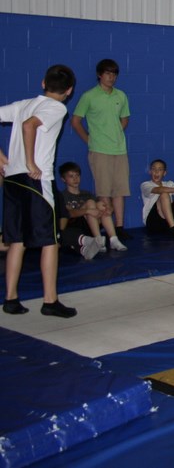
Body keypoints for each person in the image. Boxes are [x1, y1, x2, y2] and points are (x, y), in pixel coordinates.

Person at [1, 64, 79, 317]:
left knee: (17, 240)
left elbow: (26, 122)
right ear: (69, 90)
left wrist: (3, 159)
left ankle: (11, 298)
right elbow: (29, 126)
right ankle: (50, 300)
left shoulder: (24, 104)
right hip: (36, 181)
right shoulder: (57, 107)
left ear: (44, 83)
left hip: (13, 180)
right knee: (50, 241)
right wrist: (30, 163)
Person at [70, 59, 132, 240]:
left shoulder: (121, 95)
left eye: (114, 74)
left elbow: (125, 119)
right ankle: (109, 229)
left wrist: (116, 134)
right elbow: (75, 121)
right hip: (99, 150)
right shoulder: (89, 96)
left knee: (120, 190)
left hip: (119, 149)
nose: (111, 77)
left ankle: (119, 227)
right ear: (99, 75)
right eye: (107, 73)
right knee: (104, 190)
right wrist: (90, 140)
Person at [58, 161, 125, 251]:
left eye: (77, 175)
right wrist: (87, 211)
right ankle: (98, 240)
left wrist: (108, 209)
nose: (75, 179)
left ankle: (113, 239)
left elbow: (103, 208)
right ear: (63, 179)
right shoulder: (63, 196)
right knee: (90, 203)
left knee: (100, 205)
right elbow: (68, 213)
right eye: (71, 176)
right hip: (75, 226)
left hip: (91, 225)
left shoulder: (86, 194)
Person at [141, 159, 174, 236]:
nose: (156, 172)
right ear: (150, 171)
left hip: (168, 219)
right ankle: (173, 227)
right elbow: (158, 190)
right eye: (154, 169)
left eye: (160, 169)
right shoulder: (145, 185)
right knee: (164, 194)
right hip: (154, 223)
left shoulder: (169, 183)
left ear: (164, 173)